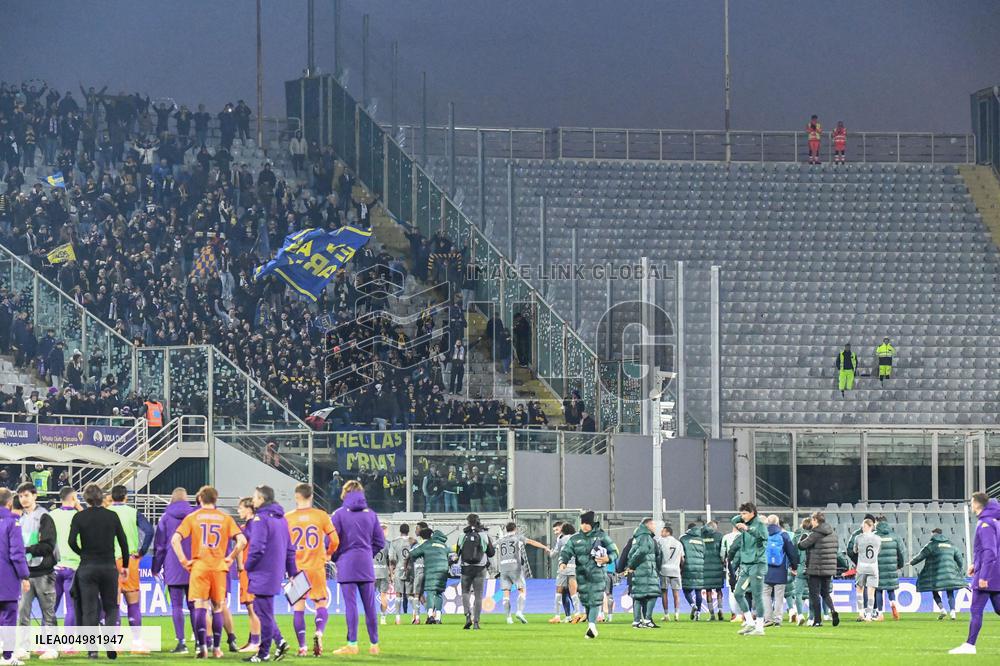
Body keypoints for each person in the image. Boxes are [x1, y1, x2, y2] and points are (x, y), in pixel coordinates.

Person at [172, 485, 246, 659]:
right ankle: (217, 648)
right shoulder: (225, 518)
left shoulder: (193, 517)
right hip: (219, 567)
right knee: (218, 607)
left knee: (200, 606)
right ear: (216, 499)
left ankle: (202, 646)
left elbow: (175, 540)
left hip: (200, 567)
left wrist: (184, 561)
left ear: (199, 499)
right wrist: (230, 557)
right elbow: (242, 540)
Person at [68, 484, 129, 660]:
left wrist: (83, 553)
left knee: (89, 609)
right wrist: (124, 565)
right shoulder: (112, 515)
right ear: (102, 497)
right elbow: (123, 542)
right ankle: (110, 642)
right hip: (109, 567)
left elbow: (71, 541)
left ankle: (92, 650)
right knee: (111, 606)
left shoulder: (79, 517)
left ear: (86, 499)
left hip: (87, 567)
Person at [329, 480, 384, 655]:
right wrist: (368, 553)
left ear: (344, 493)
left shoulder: (338, 514)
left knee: (351, 605)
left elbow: (331, 541)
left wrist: (337, 557)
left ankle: (352, 644)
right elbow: (380, 542)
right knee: (370, 607)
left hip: (346, 564)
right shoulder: (371, 514)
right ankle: (374, 644)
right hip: (366, 564)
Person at [244, 485, 296, 663]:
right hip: (275, 572)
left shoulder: (260, 519)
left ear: (262, 499)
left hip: (263, 572)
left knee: (263, 613)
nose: (253, 500)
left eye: (255, 497)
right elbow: (290, 549)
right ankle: (279, 642)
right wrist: (292, 572)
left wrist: (247, 566)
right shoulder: (282, 520)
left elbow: (257, 548)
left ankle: (263, 652)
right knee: (263, 611)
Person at [286, 483, 339, 656]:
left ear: (296, 497)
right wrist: (329, 553)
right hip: (316, 568)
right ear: (311, 497)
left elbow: (283, 545)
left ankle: (302, 647)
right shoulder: (321, 516)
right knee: (320, 604)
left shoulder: (288, 518)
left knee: (298, 608)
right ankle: (319, 632)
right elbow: (335, 540)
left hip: (296, 569)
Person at [950, 492, 1000, 655]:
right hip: (995, 572)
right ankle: (969, 644)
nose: (971, 504)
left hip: (988, 574)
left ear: (978, 504)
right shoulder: (993, 522)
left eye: (972, 502)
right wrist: (974, 564)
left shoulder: (985, 523)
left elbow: (990, 551)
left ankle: (970, 645)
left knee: (976, 609)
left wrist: (984, 575)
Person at [14, 482, 57, 661]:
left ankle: (51, 648)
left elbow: (48, 545)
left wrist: (26, 549)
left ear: (35, 495)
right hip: (25, 573)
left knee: (48, 612)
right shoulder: (21, 519)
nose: (24, 499)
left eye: (27, 495)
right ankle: (24, 648)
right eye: (21, 496)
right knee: (23, 612)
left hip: (44, 572)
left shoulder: (44, 516)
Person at [151, 487, 197, 654]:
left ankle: (182, 643)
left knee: (176, 605)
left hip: (173, 565)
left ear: (172, 499)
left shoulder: (165, 517)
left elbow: (160, 546)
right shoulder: (194, 516)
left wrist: (155, 567)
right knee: (194, 606)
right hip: (193, 565)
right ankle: (200, 642)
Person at [559, 511, 617, 639]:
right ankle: (592, 625)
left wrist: (608, 558)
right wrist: (562, 562)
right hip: (581, 574)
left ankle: (592, 626)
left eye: (587, 523)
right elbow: (566, 552)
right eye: (583, 523)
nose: (584, 526)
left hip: (597, 573)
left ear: (592, 524)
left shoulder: (601, 536)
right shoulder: (575, 538)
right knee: (586, 600)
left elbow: (614, 551)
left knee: (595, 600)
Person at [108, 485, 154, 647]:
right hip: (130, 561)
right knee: (133, 601)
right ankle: (136, 641)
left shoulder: (106, 512)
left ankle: (115, 643)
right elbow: (149, 531)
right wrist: (141, 552)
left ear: (111, 497)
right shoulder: (133, 512)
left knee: (113, 603)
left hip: (110, 562)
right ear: (126, 497)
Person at [495, 521, 549, 624]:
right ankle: (519, 612)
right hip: (515, 568)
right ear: (515, 529)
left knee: (506, 594)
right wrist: (544, 547)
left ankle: (508, 618)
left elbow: (490, 548)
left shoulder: (500, 540)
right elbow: (532, 542)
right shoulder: (518, 538)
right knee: (522, 590)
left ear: (506, 530)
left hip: (503, 569)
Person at [728, 502, 769, 635]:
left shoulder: (759, 525)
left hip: (757, 564)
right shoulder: (745, 523)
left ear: (752, 513)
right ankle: (750, 622)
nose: (742, 516)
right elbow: (733, 520)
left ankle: (760, 628)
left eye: (745, 513)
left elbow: (762, 536)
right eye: (741, 513)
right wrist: (742, 519)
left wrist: (747, 528)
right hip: (745, 564)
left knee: (757, 595)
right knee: (738, 593)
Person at [0, 488, 29, 666]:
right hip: (6, 577)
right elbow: (17, 554)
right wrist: (25, 576)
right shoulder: (12, 521)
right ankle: (8, 656)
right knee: (9, 617)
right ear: (10, 503)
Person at [796, 511, 840, 628]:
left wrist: (802, 538)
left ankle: (817, 620)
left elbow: (801, 546)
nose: (811, 522)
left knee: (814, 595)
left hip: (815, 568)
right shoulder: (833, 534)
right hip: (828, 569)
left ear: (816, 520)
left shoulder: (815, 534)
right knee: (825, 593)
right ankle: (833, 610)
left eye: (812, 520)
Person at [911, 527, 965, 621]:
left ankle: (942, 610)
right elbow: (959, 558)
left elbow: (921, 555)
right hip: (950, 573)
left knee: (934, 590)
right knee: (950, 592)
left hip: (936, 573)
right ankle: (953, 612)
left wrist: (911, 562)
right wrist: (959, 570)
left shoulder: (931, 545)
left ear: (934, 534)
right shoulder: (951, 544)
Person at [48, 487, 80, 631]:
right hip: (73, 566)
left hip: (54, 567)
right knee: (71, 607)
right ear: (73, 498)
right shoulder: (79, 516)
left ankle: (45, 643)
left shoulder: (51, 515)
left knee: (50, 607)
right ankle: (68, 644)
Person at [457, 513, 495, 630]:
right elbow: (491, 553)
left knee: (465, 592)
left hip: (466, 568)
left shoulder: (462, 535)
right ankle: (476, 622)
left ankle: (467, 615)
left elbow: (458, 552)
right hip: (480, 568)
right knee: (478, 596)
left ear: (468, 522)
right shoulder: (484, 535)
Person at [762, 515, 799, 628]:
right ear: (778, 523)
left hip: (766, 570)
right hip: (781, 569)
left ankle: (768, 619)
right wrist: (794, 566)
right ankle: (778, 619)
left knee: (765, 595)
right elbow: (791, 552)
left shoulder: (763, 535)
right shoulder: (783, 535)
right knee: (779, 596)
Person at [625, 517, 662, 629]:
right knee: (653, 594)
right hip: (647, 570)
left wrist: (632, 565)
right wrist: (632, 565)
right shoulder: (646, 537)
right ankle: (647, 620)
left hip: (638, 570)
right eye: (653, 524)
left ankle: (636, 621)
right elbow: (643, 550)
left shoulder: (637, 537)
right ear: (648, 525)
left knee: (638, 596)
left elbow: (631, 553)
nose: (655, 527)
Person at [407, 527, 449, 624]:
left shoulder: (427, 544)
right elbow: (452, 555)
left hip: (432, 569)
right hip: (443, 570)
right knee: (438, 593)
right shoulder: (444, 545)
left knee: (430, 592)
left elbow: (412, 553)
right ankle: (438, 617)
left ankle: (430, 616)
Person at [235, 497, 261, 653]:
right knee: (252, 607)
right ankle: (252, 639)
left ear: (249, 509)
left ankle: (256, 642)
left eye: (240, 508)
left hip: (248, 569)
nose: (238, 511)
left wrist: (236, 561)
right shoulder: (251, 526)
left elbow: (242, 544)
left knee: (253, 608)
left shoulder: (251, 526)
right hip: (249, 569)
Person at [873, 516, 906, 621]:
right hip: (892, 567)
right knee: (891, 589)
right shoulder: (895, 536)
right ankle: (893, 604)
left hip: (878, 567)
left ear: (877, 523)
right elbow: (901, 553)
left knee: (878, 590)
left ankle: (880, 613)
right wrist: (899, 565)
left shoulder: (874, 536)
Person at [550, 522, 583, 623]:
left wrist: (549, 551)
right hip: (574, 568)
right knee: (574, 593)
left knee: (558, 593)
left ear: (563, 531)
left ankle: (557, 616)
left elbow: (553, 555)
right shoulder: (577, 539)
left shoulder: (561, 540)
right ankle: (577, 614)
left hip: (563, 568)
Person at [852, 518, 881, 622]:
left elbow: (855, 550)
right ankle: (869, 615)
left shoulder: (858, 538)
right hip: (873, 566)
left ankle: (860, 613)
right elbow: (878, 551)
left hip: (862, 566)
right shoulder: (878, 538)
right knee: (871, 592)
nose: (862, 528)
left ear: (869, 526)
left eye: (863, 526)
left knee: (859, 589)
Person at [655, 525, 683, 622]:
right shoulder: (679, 543)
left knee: (664, 592)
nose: (661, 533)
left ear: (667, 532)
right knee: (676, 593)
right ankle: (677, 614)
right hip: (676, 570)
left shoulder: (660, 541)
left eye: (662, 531)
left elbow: (657, 554)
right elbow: (682, 558)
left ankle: (666, 614)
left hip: (664, 569)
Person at [679, 522, 705, 620]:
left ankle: (693, 605)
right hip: (700, 567)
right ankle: (698, 613)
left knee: (686, 590)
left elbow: (681, 554)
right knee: (698, 590)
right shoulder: (701, 540)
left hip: (688, 566)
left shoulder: (683, 539)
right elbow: (704, 553)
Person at [701, 520, 726, 621]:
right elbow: (722, 551)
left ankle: (712, 615)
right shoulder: (719, 536)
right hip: (717, 566)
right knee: (719, 590)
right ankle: (720, 610)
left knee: (708, 591)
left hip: (704, 566)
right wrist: (723, 561)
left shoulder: (701, 536)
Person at [789, 518, 812, 626]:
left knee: (797, 593)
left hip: (800, 567)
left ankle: (800, 615)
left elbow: (793, 553)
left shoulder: (796, 537)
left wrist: (793, 567)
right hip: (812, 568)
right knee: (813, 594)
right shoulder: (815, 537)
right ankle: (811, 618)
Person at [387, 524, 412, 625]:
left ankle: (397, 618)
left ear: (400, 531)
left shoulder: (394, 542)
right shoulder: (413, 541)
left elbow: (391, 558)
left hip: (398, 569)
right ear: (408, 531)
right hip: (410, 570)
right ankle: (415, 616)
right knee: (411, 594)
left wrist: (392, 571)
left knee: (398, 594)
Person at [373, 525, 390, 627]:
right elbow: (391, 559)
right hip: (383, 572)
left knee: (369, 597)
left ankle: (370, 618)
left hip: (372, 573)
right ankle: (383, 618)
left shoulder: (370, 543)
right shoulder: (387, 544)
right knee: (383, 596)